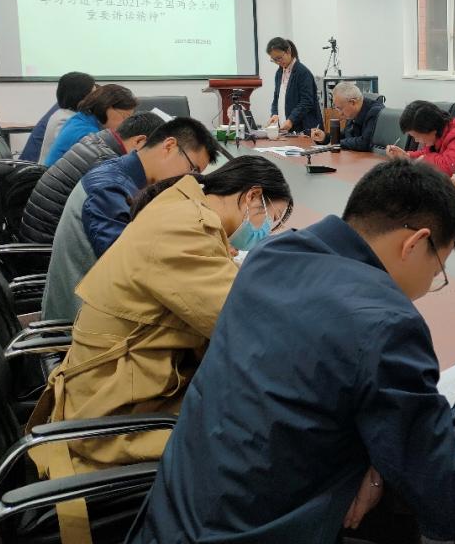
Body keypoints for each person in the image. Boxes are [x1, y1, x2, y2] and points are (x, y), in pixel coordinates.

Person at [124, 159, 455, 544]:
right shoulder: (386, 324)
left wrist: (376, 455)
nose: (431, 283)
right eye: (438, 270)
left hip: (170, 530)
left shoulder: (271, 256)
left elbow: (321, 387)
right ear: (414, 243)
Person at [28, 156, 293, 475]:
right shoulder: (184, 229)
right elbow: (245, 324)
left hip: (119, 385)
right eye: (270, 220)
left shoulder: (180, 208)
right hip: (112, 416)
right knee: (265, 434)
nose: (264, 233)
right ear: (252, 196)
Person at [41, 117, 217, 322]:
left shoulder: (125, 175)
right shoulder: (109, 189)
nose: (188, 180)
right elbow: (130, 266)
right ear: (169, 146)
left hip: (104, 304)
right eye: (192, 170)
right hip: (84, 321)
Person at [19, 112, 164, 243]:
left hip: (38, 233)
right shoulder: (107, 164)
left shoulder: (96, 140)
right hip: (47, 247)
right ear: (139, 141)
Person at [42, 84, 138, 166]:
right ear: (107, 108)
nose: (126, 123)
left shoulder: (81, 118)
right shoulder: (87, 134)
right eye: (125, 117)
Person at [386, 100, 455, 177]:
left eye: (417, 136)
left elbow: (451, 169)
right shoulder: (437, 132)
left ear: (431, 130)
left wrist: (422, 159)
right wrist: (407, 156)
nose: (416, 140)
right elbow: (428, 153)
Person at [24, 71, 96, 163]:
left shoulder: (63, 113)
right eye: (93, 94)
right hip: (52, 170)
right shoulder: (65, 120)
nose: (96, 98)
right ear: (80, 95)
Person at [266, 36, 322, 133]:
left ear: (288, 51)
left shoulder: (303, 72)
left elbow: (307, 102)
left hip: (304, 128)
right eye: (274, 60)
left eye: (279, 58)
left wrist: (291, 119)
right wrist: (274, 114)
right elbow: (276, 98)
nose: (278, 62)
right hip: (286, 128)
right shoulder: (279, 73)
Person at [310, 82, 383, 151]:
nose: (340, 114)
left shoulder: (375, 112)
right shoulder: (353, 112)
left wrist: (337, 144)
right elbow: (346, 135)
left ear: (353, 102)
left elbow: (365, 143)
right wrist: (324, 137)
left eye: (340, 108)